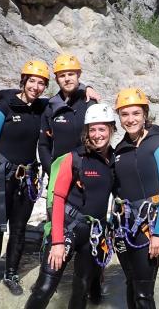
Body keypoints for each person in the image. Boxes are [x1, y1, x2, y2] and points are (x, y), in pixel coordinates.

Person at [24, 103, 117, 309]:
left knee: (81, 289)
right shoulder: (74, 158)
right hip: (67, 229)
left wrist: (106, 239)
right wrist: (57, 242)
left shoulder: (114, 160)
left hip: (94, 233)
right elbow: (57, 200)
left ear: (111, 129)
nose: (97, 134)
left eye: (102, 129)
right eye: (92, 129)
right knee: (45, 288)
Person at [36, 53, 104, 301]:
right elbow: (44, 144)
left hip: (89, 170)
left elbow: (101, 134)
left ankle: (94, 285)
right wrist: (50, 168)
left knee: (92, 226)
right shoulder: (51, 107)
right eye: (62, 75)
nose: (67, 78)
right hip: (60, 173)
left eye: (71, 74)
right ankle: (49, 273)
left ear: (79, 75)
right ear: (57, 78)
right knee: (54, 224)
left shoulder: (89, 101)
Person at [0, 60, 50, 299]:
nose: (36, 86)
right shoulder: (3, 107)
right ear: (24, 81)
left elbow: (69, 96)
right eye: (32, 81)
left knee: (19, 230)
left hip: (27, 178)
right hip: (2, 177)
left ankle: (10, 274)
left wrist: (87, 88)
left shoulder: (42, 109)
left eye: (42, 83)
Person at [112, 88, 159, 309]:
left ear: (145, 114)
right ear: (119, 117)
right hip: (123, 226)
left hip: (148, 227)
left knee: (143, 295)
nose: (131, 119)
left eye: (136, 113)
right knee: (130, 283)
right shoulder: (120, 149)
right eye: (125, 114)